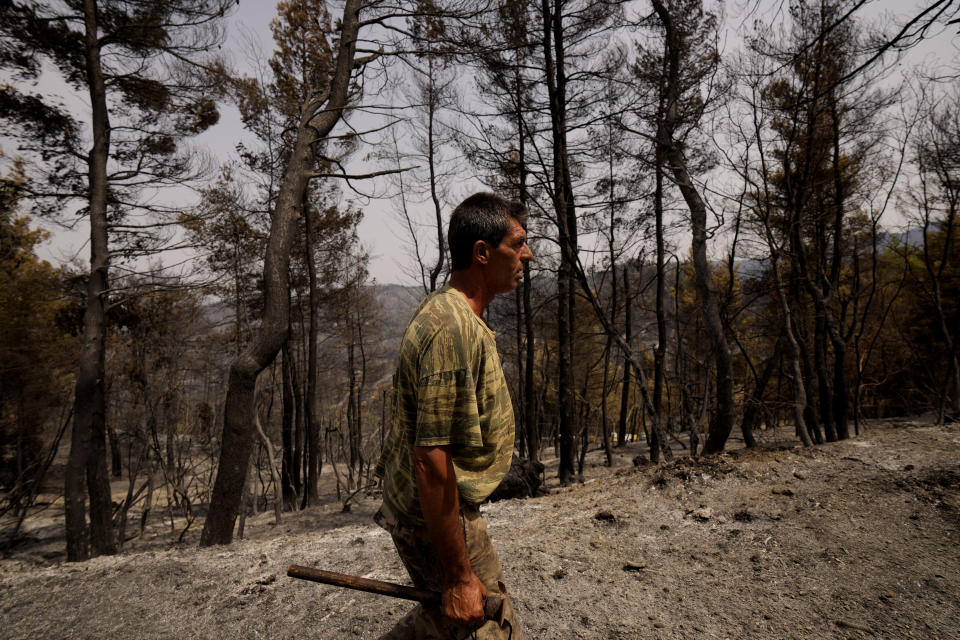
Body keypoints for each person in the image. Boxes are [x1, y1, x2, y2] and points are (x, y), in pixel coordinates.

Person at [374, 192, 533, 640]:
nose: (528, 253)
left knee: (443, 621)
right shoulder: (451, 329)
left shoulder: (459, 315)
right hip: (436, 516)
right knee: (487, 624)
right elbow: (431, 459)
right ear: (482, 253)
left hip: (436, 508)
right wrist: (461, 578)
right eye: (517, 243)